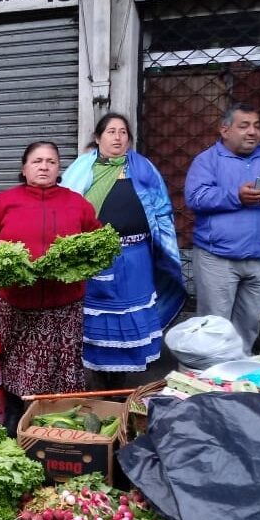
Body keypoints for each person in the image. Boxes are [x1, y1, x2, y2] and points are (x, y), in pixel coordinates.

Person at [0, 141, 102, 432]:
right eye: (37, 161)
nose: (44, 166)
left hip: (64, 301)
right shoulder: (6, 200)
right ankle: (15, 413)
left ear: (59, 169)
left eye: (51, 162)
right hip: (18, 300)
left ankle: (60, 418)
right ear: (24, 168)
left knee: (64, 361)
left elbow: (97, 238)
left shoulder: (76, 202)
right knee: (16, 358)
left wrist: (83, 256)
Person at [62, 113, 185, 388]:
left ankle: (122, 385)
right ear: (98, 138)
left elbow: (162, 210)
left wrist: (162, 247)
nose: (117, 137)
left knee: (129, 322)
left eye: (123, 132)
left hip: (136, 259)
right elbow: (65, 210)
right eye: (111, 131)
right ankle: (96, 383)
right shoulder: (82, 169)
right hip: (94, 259)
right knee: (98, 321)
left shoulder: (143, 169)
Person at [185, 102, 260, 356]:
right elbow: (195, 197)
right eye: (244, 126)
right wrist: (235, 196)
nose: (252, 132)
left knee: (248, 325)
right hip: (218, 258)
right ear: (225, 130)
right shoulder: (207, 161)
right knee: (214, 327)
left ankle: (238, 380)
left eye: (256, 126)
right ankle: (211, 381)